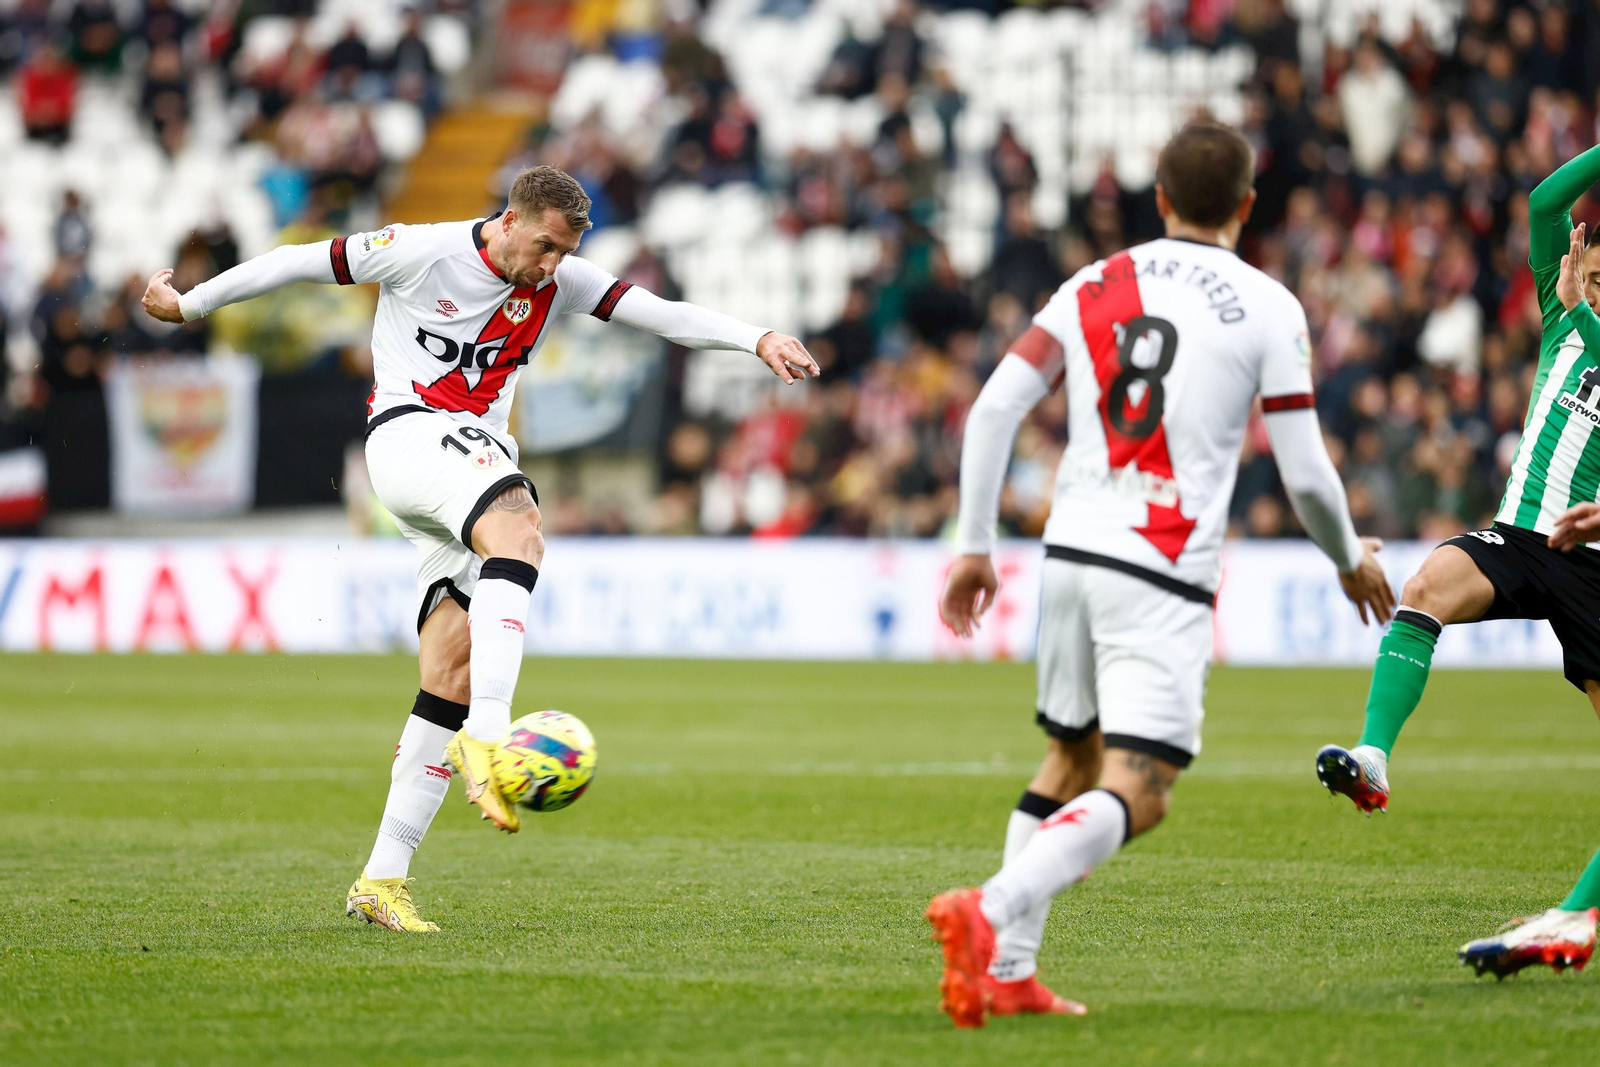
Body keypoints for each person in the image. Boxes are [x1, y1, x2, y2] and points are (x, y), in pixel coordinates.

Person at [142, 166, 819, 932]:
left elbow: (656, 313)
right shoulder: (418, 251)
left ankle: (381, 879)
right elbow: (299, 260)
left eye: (564, 254)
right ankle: (490, 736)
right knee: (521, 526)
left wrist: (754, 336)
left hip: (461, 468)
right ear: (510, 219)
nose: (551, 267)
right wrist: (191, 302)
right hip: (408, 434)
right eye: (545, 247)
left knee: (449, 672)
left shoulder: (556, 279)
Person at [925, 122, 1393, 1028]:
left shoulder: (1096, 282)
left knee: (1072, 754)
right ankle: (989, 910)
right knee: (1142, 787)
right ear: (1249, 208)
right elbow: (1303, 471)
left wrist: (975, 546)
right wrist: (1350, 559)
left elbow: (992, 408)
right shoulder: (1269, 304)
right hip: (1162, 569)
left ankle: (1010, 972)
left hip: (1068, 551)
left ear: (1160, 198)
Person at [1317, 141, 1600, 979]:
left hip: (1595, 565)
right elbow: (1546, 206)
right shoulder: (1567, 325)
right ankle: (1373, 755)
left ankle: (1575, 918)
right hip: (1520, 537)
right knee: (1426, 585)